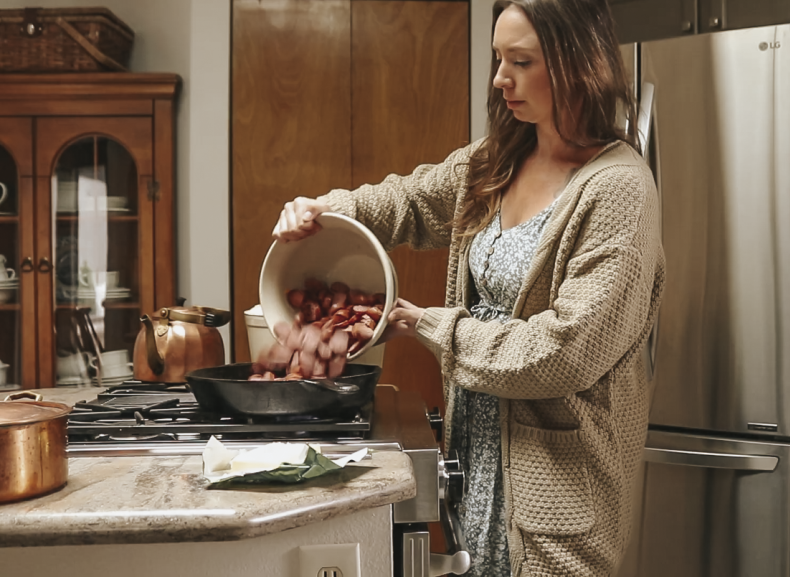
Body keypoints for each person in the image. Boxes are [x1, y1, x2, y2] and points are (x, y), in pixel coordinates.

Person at [271, 0, 664, 574]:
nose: (501, 78)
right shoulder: (498, 158)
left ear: (579, 65)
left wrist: (425, 323)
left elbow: (564, 352)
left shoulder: (619, 191)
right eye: (498, 59)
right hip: (474, 473)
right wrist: (325, 209)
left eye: (522, 62)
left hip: (557, 503)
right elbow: (407, 200)